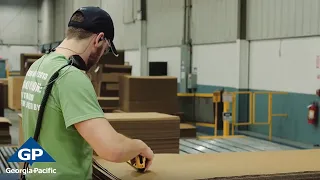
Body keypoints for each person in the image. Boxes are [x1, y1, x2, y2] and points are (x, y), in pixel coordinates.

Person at [21, 6, 154, 180]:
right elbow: (113, 149)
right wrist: (140, 147)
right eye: (105, 49)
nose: (101, 56)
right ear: (99, 39)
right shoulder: (70, 76)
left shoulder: (37, 66)